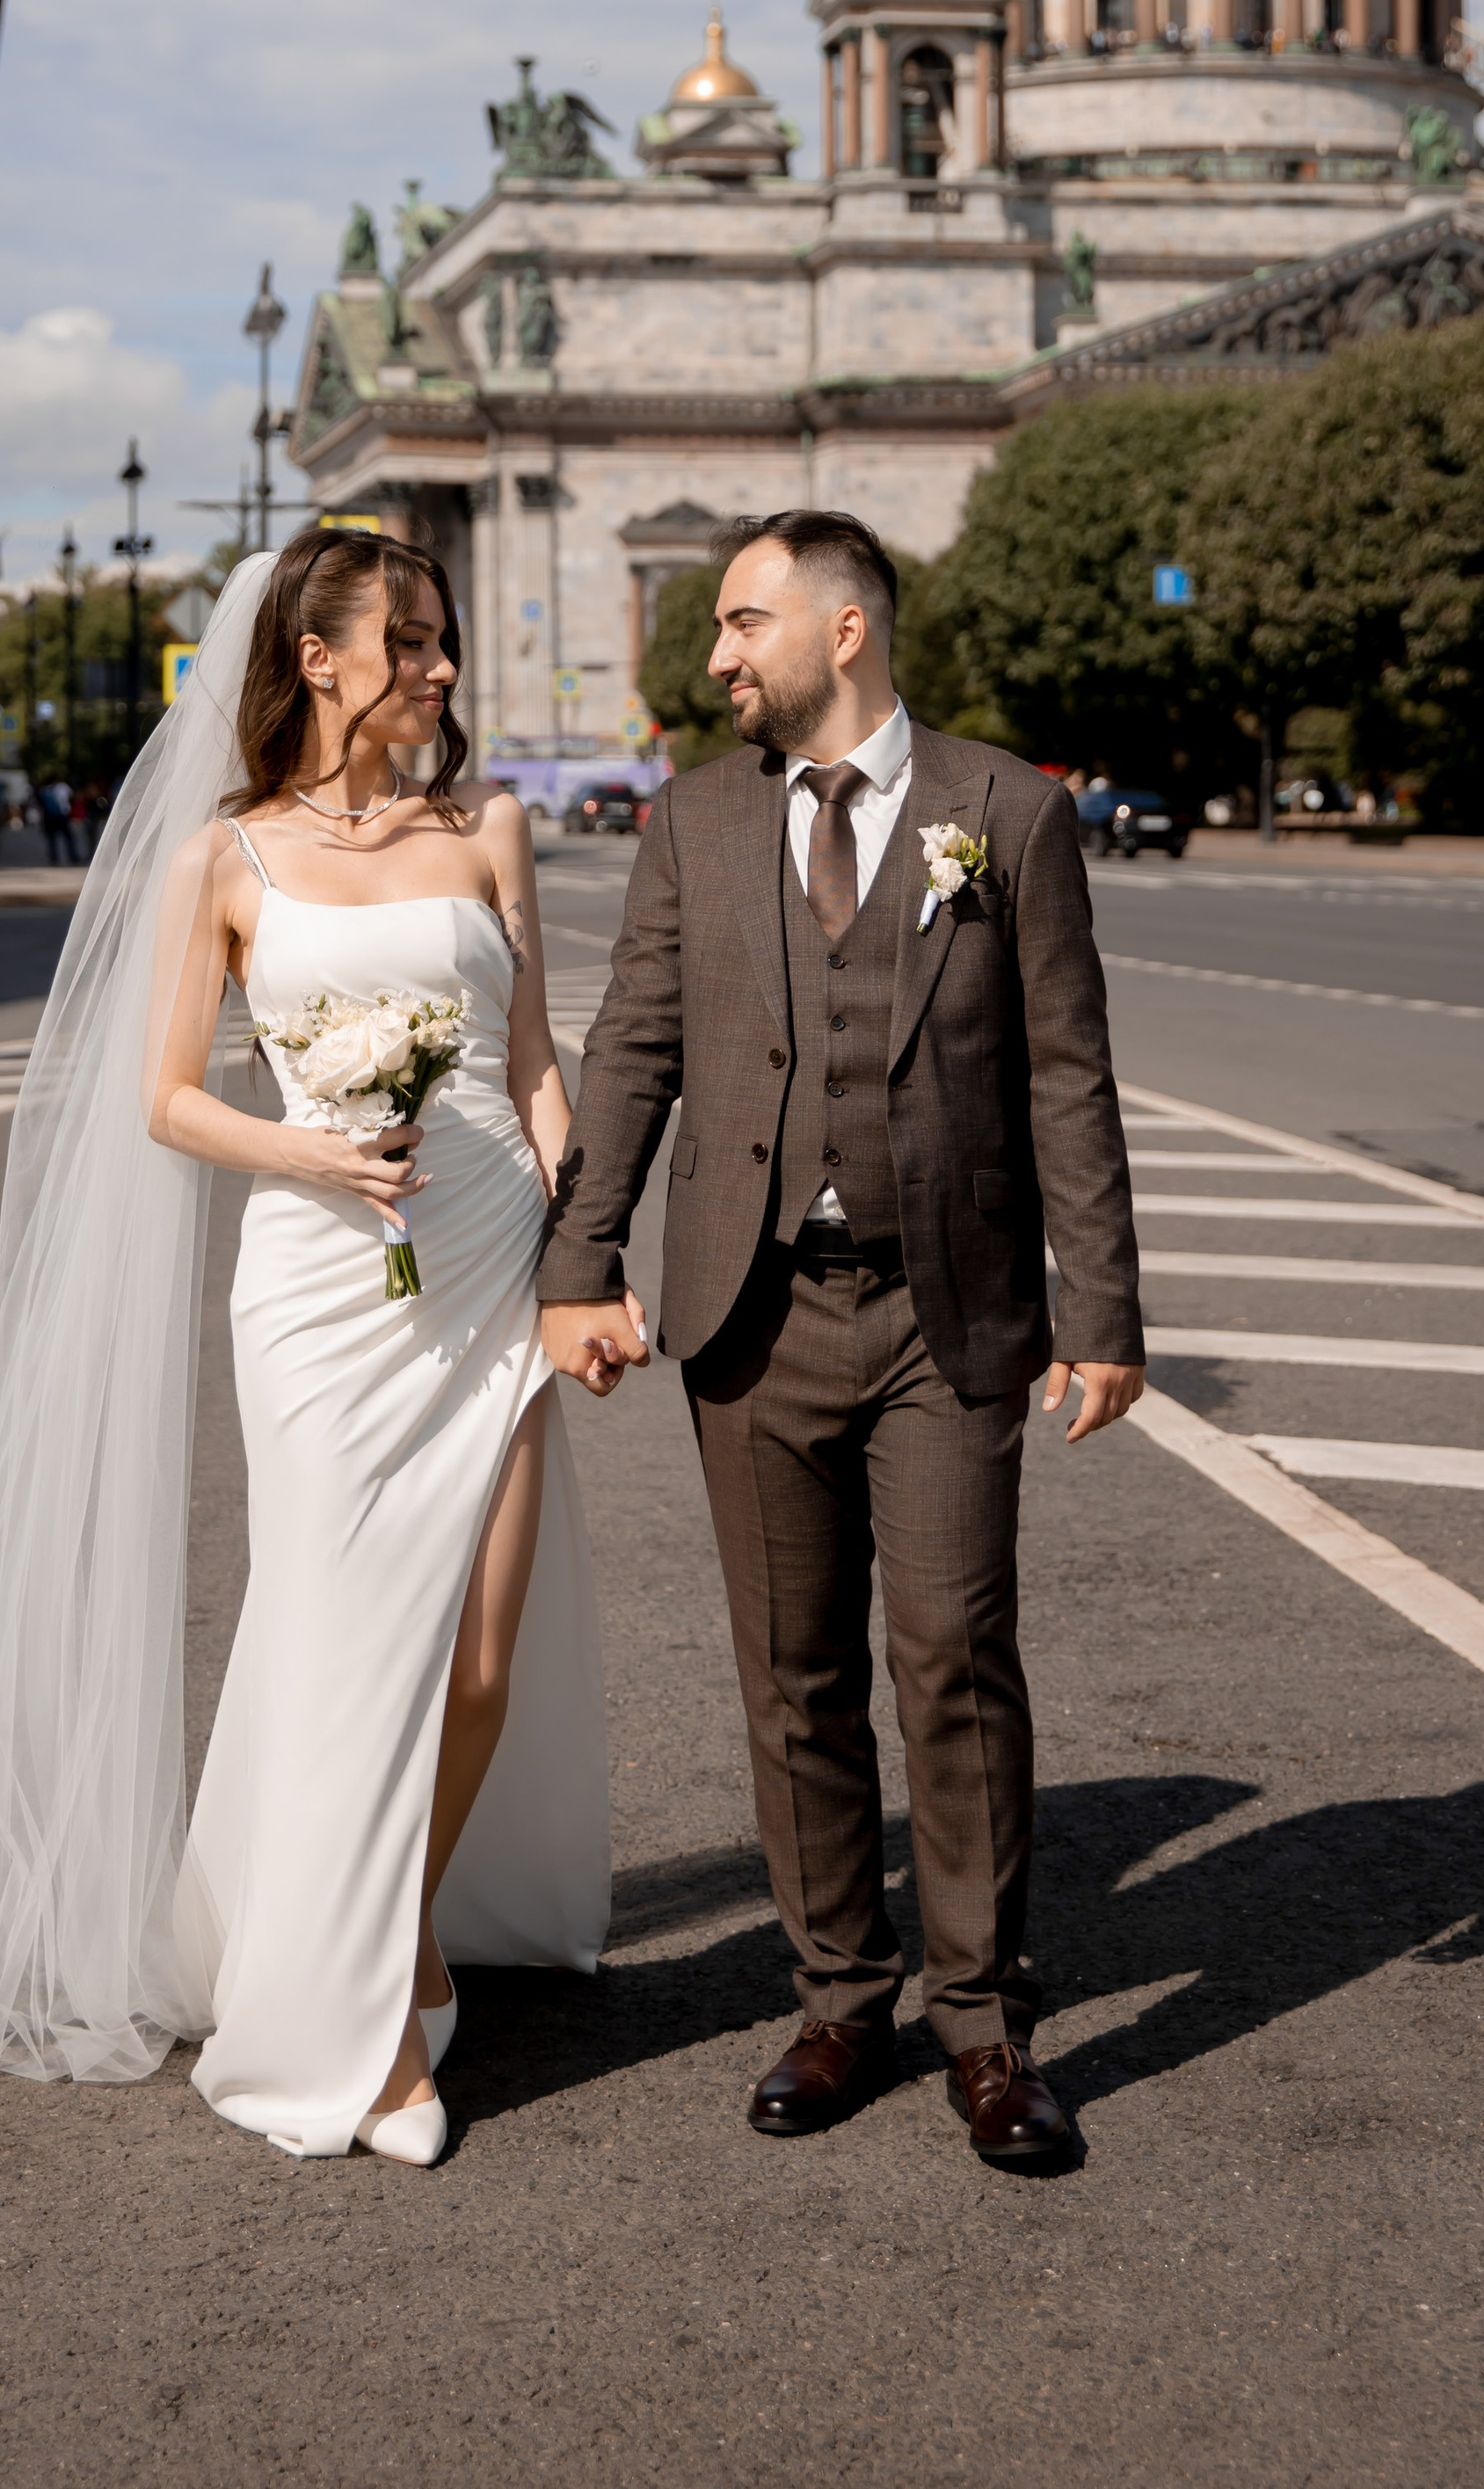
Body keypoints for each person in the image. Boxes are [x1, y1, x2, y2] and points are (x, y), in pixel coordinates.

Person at [0, 531, 615, 2168]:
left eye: (444, 639)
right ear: (318, 657)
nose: (442, 668)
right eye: (411, 640)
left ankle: (399, 1936)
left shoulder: (488, 827)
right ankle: (356, 2034)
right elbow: (167, 1097)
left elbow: (536, 1062)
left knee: (480, 1660)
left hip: (490, 1267)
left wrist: (587, 1255)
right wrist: (311, 1150)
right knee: (340, 1653)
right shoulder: (224, 858)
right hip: (321, 1285)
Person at [539, 507, 1145, 2175]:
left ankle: (986, 2024)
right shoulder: (695, 818)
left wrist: (1100, 1306)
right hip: (752, 1310)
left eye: (744, 622)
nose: (717, 655)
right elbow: (634, 1047)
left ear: (845, 628)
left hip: (945, 1310)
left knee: (954, 1655)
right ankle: (837, 2002)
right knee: (793, 1677)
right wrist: (579, 1261)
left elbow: (1066, 1072)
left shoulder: (1006, 812)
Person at [36, 772, 76, 864]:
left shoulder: (45, 790)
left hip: (50, 817)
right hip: (62, 815)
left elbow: (41, 803)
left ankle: (54, 858)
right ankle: (73, 856)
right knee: (68, 838)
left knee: (52, 839)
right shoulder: (63, 787)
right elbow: (72, 797)